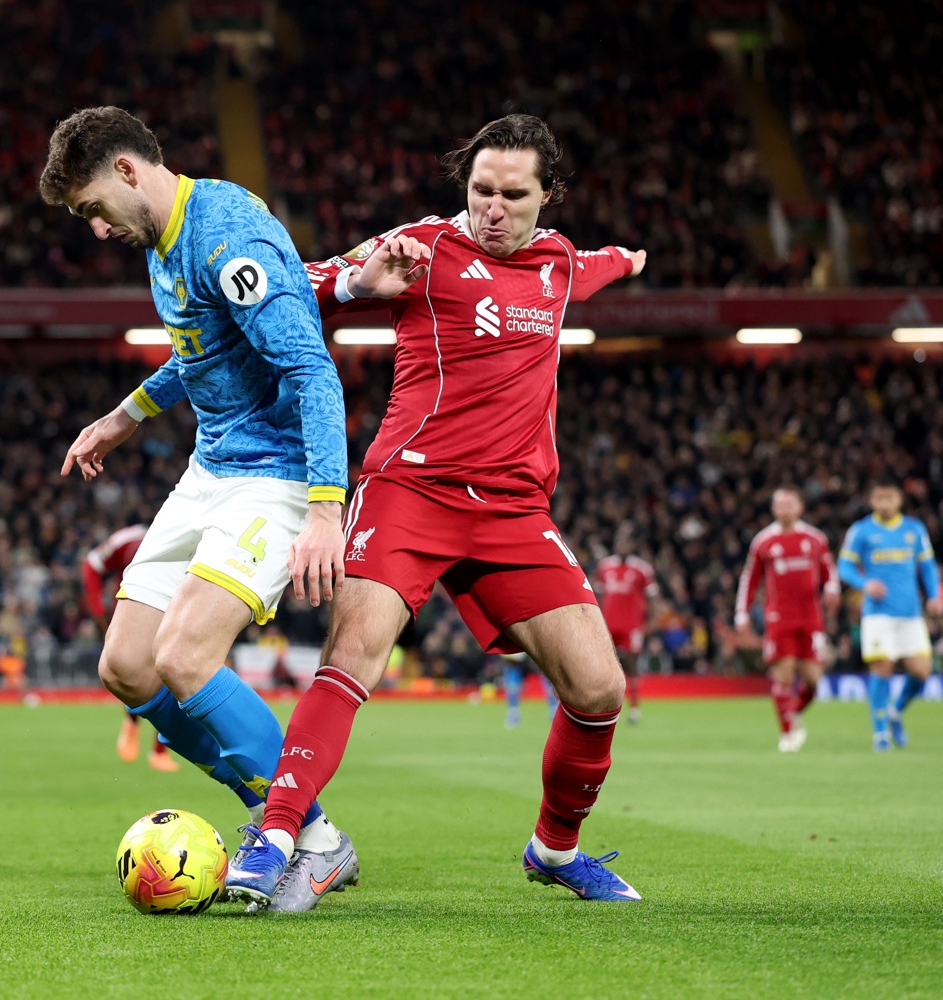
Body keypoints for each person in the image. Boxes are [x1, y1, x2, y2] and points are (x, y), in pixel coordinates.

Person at [240, 114, 649, 907]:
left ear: (548, 195)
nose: (491, 208)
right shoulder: (423, 246)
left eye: (512, 195)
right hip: (411, 490)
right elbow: (300, 283)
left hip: (512, 510)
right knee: (353, 653)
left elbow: (595, 263)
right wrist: (363, 281)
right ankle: (277, 838)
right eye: (480, 191)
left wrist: (628, 260)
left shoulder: (559, 262)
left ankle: (555, 853)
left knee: (600, 690)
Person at [41, 106, 355, 911]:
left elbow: (312, 369)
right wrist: (124, 416)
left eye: (91, 209)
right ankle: (281, 816)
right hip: (210, 468)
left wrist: (325, 508)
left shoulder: (229, 237)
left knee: (185, 657)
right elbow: (200, 353)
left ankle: (307, 839)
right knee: (128, 665)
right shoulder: (163, 241)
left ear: (126, 171)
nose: (97, 229)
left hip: (278, 476)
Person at [837, 482, 943, 750]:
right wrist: (865, 584)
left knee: (921, 671)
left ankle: (895, 711)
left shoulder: (914, 529)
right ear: (872, 501)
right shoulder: (861, 530)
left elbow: (927, 566)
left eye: (889, 498)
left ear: (899, 500)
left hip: (910, 612)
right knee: (881, 667)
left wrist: (934, 595)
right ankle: (880, 733)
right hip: (877, 614)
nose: (884, 503)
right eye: (879, 498)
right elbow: (845, 566)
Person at [734, 486, 840, 751]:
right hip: (779, 618)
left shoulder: (815, 538)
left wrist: (831, 589)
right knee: (784, 674)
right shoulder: (764, 541)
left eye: (789, 503)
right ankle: (787, 732)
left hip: (811, 617)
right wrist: (742, 613)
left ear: (800, 507)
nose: (784, 508)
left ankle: (791, 712)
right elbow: (750, 578)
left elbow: (829, 571)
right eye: (779, 504)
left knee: (814, 680)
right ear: (773, 509)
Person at [84, 525, 178, 772]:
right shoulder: (130, 538)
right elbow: (91, 564)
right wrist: (98, 610)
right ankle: (131, 722)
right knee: (133, 672)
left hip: (173, 612)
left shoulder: (191, 540)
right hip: (134, 613)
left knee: (172, 676)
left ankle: (159, 750)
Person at [595, 533, 659, 725]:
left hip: (632, 626)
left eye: (626, 543)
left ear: (631, 545)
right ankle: (603, 707)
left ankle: (634, 708)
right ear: (615, 544)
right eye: (619, 542)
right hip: (607, 625)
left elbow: (653, 597)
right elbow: (596, 595)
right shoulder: (605, 567)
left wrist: (652, 621)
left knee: (632, 666)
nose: (622, 546)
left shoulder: (642, 569)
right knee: (604, 666)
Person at [501, 651, 557, 728]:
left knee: (549, 685)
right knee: (512, 687)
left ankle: (554, 714)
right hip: (517, 661)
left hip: (536, 657)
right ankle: (513, 715)